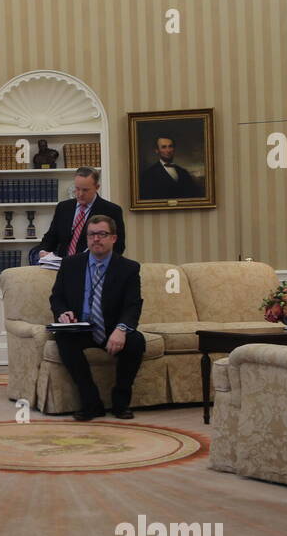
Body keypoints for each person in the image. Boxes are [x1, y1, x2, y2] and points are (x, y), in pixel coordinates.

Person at [49, 216, 145, 421]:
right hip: (81, 327)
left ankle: (121, 403)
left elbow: (133, 305)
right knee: (63, 339)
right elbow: (57, 297)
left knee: (136, 341)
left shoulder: (128, 268)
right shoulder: (70, 264)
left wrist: (121, 329)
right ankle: (91, 403)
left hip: (112, 328)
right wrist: (62, 313)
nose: (96, 239)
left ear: (113, 238)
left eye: (102, 234)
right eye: (92, 235)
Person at [38, 166, 126, 259]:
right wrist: (43, 251)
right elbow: (51, 236)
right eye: (77, 189)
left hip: (93, 266)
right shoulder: (63, 207)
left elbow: (118, 246)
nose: (80, 194)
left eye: (85, 190)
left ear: (97, 187)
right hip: (63, 265)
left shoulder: (111, 210)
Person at [138, 136, 202, 200]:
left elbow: (194, 195)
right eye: (164, 147)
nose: (168, 150)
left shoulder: (183, 172)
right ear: (157, 150)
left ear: (174, 149)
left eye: (170, 146)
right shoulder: (148, 174)